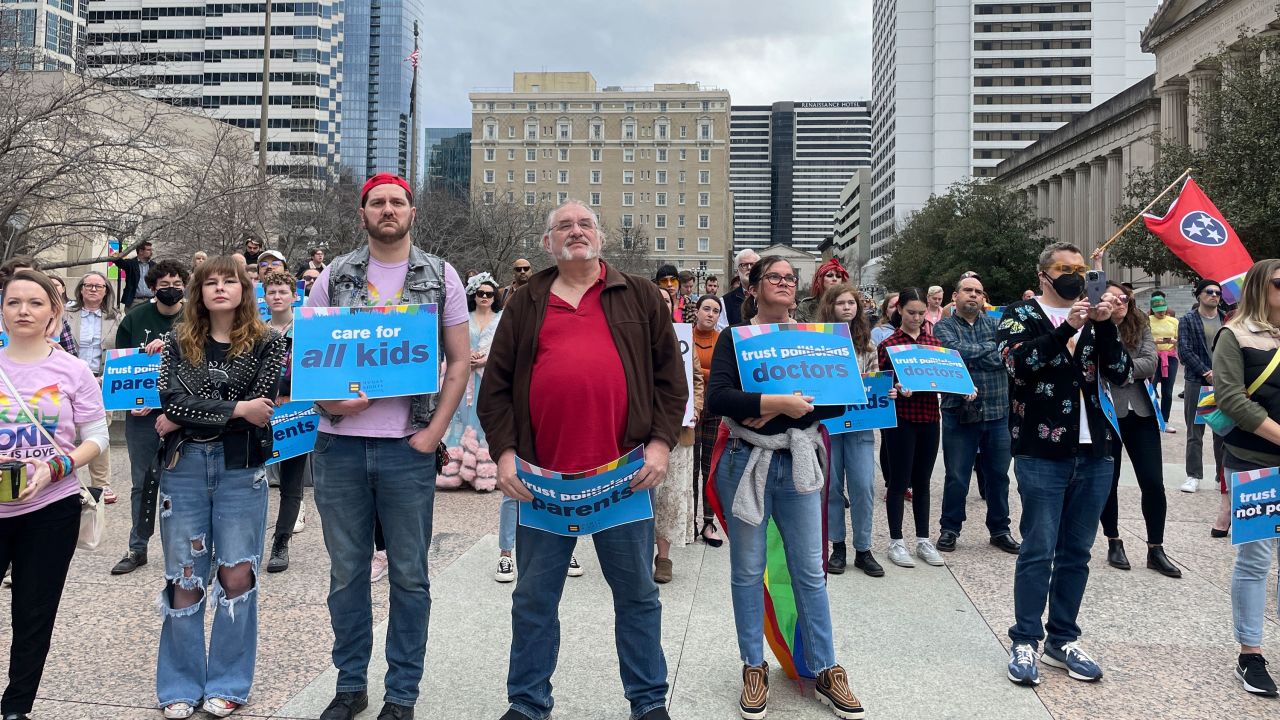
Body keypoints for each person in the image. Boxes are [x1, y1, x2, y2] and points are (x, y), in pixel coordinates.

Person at [477, 199, 685, 720]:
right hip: (544, 483)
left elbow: (670, 382)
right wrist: (504, 454)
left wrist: (660, 444)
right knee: (533, 602)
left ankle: (648, 702)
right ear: (548, 242)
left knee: (637, 596)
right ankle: (527, 703)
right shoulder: (526, 302)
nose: (575, 232)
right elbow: (495, 388)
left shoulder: (638, 295)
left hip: (624, 477)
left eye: (585, 223)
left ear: (601, 236)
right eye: (563, 226)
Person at [305, 173, 469, 720]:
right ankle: (350, 685)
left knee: (410, 574)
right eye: (377, 202)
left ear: (412, 211)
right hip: (339, 448)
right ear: (363, 214)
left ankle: (402, 695)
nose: (388, 209)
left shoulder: (442, 276)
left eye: (397, 201)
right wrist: (330, 405)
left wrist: (435, 432)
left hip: (406, 448)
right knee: (347, 572)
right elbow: (308, 360)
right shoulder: (333, 275)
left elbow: (460, 361)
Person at [707, 256, 864, 720]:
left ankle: (826, 666)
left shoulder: (816, 340)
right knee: (747, 570)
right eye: (773, 277)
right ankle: (752, 665)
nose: (783, 284)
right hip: (745, 463)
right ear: (753, 287)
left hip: (798, 462)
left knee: (810, 571)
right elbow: (719, 398)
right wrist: (778, 401)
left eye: (790, 279)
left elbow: (839, 400)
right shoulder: (734, 338)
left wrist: (773, 409)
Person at [153, 256, 287, 719]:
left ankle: (229, 683)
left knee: (237, 575)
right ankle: (179, 686)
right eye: (209, 282)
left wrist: (191, 413)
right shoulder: (177, 341)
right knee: (184, 577)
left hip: (239, 470)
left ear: (244, 289)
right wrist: (235, 409)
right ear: (198, 292)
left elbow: (263, 405)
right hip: (183, 467)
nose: (219, 289)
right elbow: (170, 400)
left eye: (228, 281)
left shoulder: (270, 343)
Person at [998, 241, 1131, 687]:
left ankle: (1063, 638)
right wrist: (1064, 330)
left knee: (1077, 551)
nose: (1074, 275)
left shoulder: (1096, 316)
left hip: (1095, 450)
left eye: (1080, 268)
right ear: (1043, 275)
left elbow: (1120, 372)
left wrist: (1107, 325)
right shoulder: (1020, 315)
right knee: (1038, 547)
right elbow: (1018, 366)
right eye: (1064, 268)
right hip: (1041, 449)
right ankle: (1025, 639)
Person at [0, 269, 108, 720]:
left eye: (35, 302)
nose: (24, 310)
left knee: (33, 613)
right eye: (13, 302)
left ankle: (15, 708)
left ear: (53, 311)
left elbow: (97, 436)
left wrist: (56, 466)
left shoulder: (72, 369)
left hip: (51, 508)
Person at [1210, 259, 1280, 697]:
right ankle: (1250, 654)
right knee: (1256, 561)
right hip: (1254, 463)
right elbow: (1232, 398)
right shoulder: (1233, 335)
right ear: (1260, 287)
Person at [110, 260, 190, 576]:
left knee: (186, 481)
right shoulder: (134, 319)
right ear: (153, 287)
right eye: (164, 284)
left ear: (185, 284)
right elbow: (122, 368)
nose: (170, 288)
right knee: (142, 481)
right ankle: (137, 546)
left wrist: (171, 343)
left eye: (176, 282)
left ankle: (188, 547)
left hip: (184, 414)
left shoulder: (196, 317)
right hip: (142, 415)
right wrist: (133, 400)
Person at [1096, 280, 1180, 578]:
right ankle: (1113, 540)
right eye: (1112, 298)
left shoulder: (1140, 323)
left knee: (1153, 482)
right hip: (1107, 413)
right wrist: (1121, 368)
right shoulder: (1092, 327)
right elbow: (1095, 365)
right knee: (1109, 480)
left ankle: (1156, 548)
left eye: (1124, 298)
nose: (1119, 303)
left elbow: (1150, 363)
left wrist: (1118, 369)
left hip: (1141, 412)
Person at [934, 275, 1019, 556]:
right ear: (955, 296)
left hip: (997, 412)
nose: (973, 295)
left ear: (984, 298)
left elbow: (1005, 357)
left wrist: (978, 354)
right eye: (967, 290)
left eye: (978, 292)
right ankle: (950, 529)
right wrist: (989, 350)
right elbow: (953, 354)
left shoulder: (997, 324)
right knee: (957, 476)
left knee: (998, 475)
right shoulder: (943, 326)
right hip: (958, 413)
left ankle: (1000, 530)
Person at [878, 288, 952, 568]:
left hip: (930, 417)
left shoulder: (934, 342)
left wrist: (963, 387)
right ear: (899, 310)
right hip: (901, 420)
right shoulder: (889, 344)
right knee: (898, 482)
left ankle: (923, 539)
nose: (917, 318)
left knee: (923, 481)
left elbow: (946, 376)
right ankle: (896, 541)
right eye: (911, 312)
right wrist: (895, 387)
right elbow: (882, 383)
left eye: (922, 313)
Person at [818, 283, 887, 578]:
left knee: (863, 485)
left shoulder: (868, 345)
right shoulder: (819, 342)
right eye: (841, 303)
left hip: (860, 423)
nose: (847, 308)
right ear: (830, 307)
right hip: (830, 424)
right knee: (831, 486)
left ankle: (863, 548)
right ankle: (838, 546)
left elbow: (874, 381)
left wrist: (887, 391)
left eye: (851, 303)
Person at [651, 285, 704, 583]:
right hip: (639, 432)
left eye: (666, 300)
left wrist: (695, 406)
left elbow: (696, 378)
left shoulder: (683, 337)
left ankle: (664, 557)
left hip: (678, 429)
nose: (661, 305)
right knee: (641, 494)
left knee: (670, 495)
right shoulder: (631, 337)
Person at [441, 273, 503, 492]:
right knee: (462, 418)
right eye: (480, 293)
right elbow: (452, 344)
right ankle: (455, 471)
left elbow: (506, 347)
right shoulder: (464, 317)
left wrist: (486, 360)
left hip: (491, 377)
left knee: (487, 421)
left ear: (495, 296)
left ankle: (487, 472)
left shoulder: (502, 318)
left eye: (489, 293)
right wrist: (465, 359)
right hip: (465, 376)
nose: (485, 297)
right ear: (474, 296)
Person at [262, 271, 306, 573]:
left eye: (282, 291)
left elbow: (313, 369)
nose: (277, 296)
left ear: (294, 295)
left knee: (292, 481)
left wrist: (290, 395)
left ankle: (282, 541)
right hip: (260, 412)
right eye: (271, 292)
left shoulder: (304, 330)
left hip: (295, 410)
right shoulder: (256, 331)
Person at [67, 271, 122, 504]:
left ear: (106, 292)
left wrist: (106, 377)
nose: (93, 289)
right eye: (88, 285)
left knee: (100, 433)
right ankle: (67, 483)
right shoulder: (66, 315)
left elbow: (121, 351)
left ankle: (101, 484)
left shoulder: (116, 317)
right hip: (70, 379)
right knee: (66, 431)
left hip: (101, 381)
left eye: (98, 286)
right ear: (80, 289)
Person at [1179, 278, 1226, 493]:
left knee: (1222, 431)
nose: (1214, 295)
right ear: (1199, 295)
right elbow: (1185, 351)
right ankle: (1193, 475)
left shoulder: (1227, 319)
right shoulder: (1188, 319)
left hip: (1223, 382)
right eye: (1209, 291)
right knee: (1195, 432)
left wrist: (1221, 374)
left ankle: (1221, 477)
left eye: (1218, 292)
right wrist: (1207, 372)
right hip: (1197, 381)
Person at [690, 294, 725, 548]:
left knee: (710, 468)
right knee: (690, 467)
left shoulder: (722, 341)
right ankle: (689, 520)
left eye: (715, 310)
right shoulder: (683, 337)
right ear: (697, 311)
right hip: (689, 409)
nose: (710, 314)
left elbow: (726, 374)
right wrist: (709, 374)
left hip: (714, 409)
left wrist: (697, 372)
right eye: (706, 309)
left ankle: (708, 521)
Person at [1149, 292, 1179, 432]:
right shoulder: (1147, 320)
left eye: (1163, 309)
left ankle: (1165, 420)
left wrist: (1174, 341)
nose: (1161, 312)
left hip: (1170, 357)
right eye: (1158, 310)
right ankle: (1153, 418)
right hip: (1153, 356)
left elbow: (1181, 339)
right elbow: (1144, 339)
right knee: (1151, 388)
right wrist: (1155, 341)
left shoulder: (1174, 321)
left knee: (1167, 391)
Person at [797, 258, 849, 322]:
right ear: (819, 280)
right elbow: (800, 331)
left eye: (838, 276)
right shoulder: (805, 306)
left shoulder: (849, 305)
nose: (835, 279)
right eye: (830, 275)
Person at [722, 248, 759, 327]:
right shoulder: (725, 302)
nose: (749, 268)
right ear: (737, 271)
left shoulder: (769, 296)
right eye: (744, 265)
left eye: (753, 265)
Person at [113, 241, 155, 307]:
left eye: (151, 250)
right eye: (148, 250)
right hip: (134, 302)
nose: (151, 252)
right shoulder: (131, 264)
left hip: (151, 301)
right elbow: (119, 261)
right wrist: (118, 253)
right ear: (141, 251)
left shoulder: (154, 265)